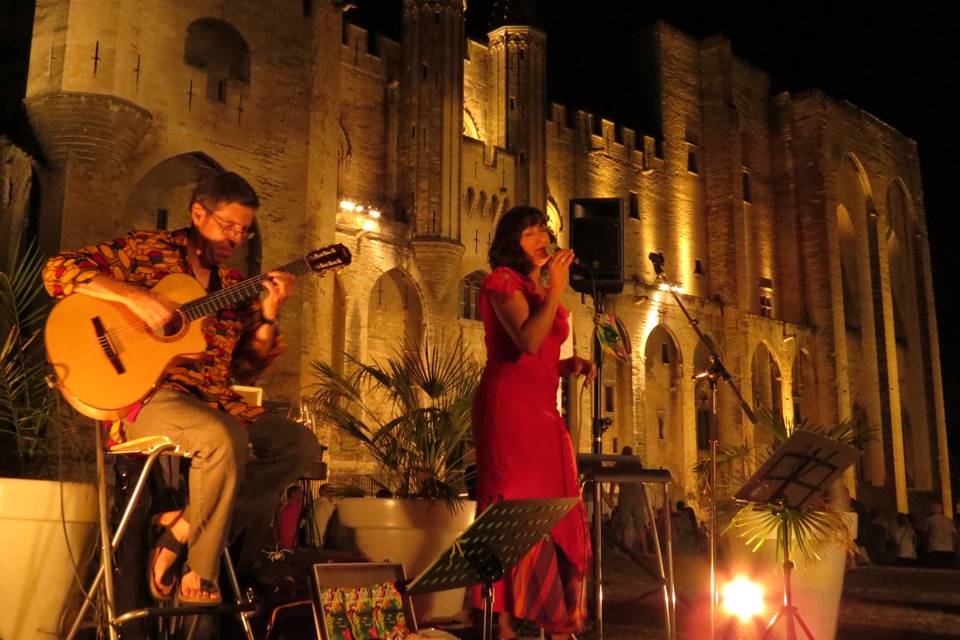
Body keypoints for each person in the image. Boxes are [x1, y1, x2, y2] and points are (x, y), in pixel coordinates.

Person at [42, 171, 322, 605]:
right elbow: (58, 271)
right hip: (146, 398)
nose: (236, 238)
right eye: (228, 226)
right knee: (222, 436)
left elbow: (246, 369)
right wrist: (134, 297)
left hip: (214, 401)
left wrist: (268, 314)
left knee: (300, 446)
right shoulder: (146, 250)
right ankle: (199, 575)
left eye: (244, 231)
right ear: (197, 213)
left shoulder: (231, 287)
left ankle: (181, 530)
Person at [471, 205, 596, 640]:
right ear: (511, 242)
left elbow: (540, 355)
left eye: (544, 229)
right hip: (508, 411)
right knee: (516, 506)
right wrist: (558, 290)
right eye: (530, 233)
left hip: (544, 412)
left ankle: (554, 615)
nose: (542, 238)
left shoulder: (534, 288)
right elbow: (524, 342)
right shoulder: (501, 281)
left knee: (554, 507)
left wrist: (567, 366)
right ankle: (504, 621)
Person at [611, 446, 651, 555]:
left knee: (626, 524)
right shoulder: (636, 463)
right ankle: (645, 551)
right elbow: (643, 479)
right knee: (640, 524)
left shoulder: (620, 463)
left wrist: (610, 496)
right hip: (637, 493)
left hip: (625, 494)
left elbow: (613, 480)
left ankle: (626, 551)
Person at [924, 502, 957, 569]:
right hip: (948, 547)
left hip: (935, 547)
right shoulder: (948, 520)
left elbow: (925, 534)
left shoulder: (929, 520)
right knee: (948, 568)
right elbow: (954, 534)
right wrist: (955, 546)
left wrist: (927, 545)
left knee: (937, 568)